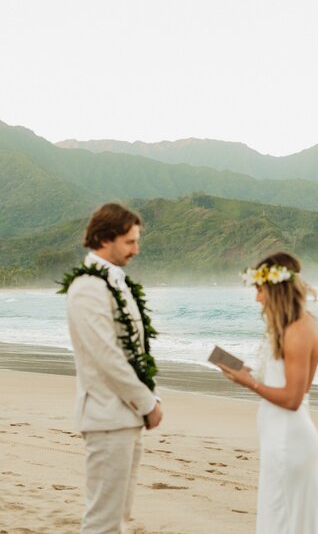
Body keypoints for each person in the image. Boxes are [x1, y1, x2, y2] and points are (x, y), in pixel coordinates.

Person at [62, 202, 162, 534]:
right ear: (105, 239)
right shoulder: (87, 288)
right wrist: (147, 403)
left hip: (125, 416)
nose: (136, 249)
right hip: (106, 416)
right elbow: (107, 358)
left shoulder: (114, 282)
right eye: (130, 242)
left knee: (120, 516)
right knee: (102, 520)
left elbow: (133, 351)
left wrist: (147, 399)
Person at [218, 252, 318, 534]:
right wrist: (249, 374)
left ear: (275, 287)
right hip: (279, 435)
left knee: (282, 517)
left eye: (259, 289)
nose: (257, 299)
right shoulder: (296, 326)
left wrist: (249, 383)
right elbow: (290, 385)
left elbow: (293, 398)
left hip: (287, 439)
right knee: (283, 515)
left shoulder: (298, 331)